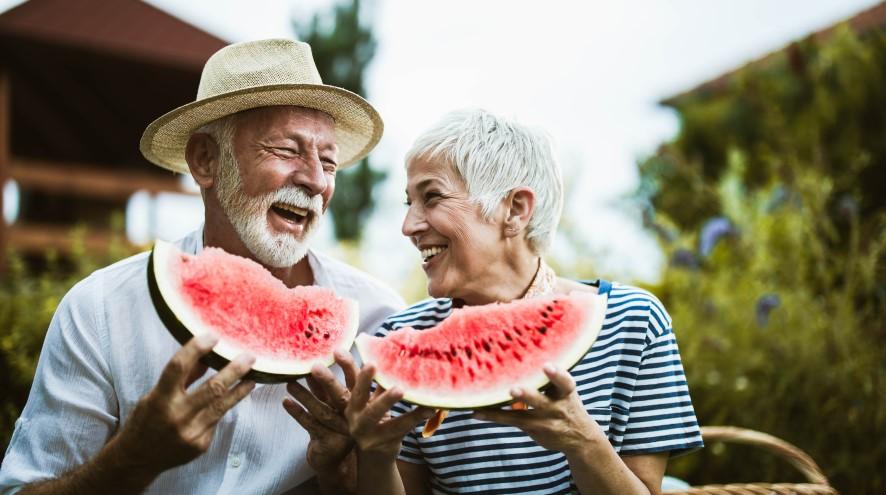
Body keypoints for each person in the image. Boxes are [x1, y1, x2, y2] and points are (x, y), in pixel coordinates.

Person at [0, 39, 404, 494]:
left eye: (328, 162)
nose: (315, 181)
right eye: (287, 150)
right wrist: (131, 460)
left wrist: (346, 477)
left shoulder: (377, 321)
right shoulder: (100, 311)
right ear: (205, 160)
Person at [341, 109, 704, 494]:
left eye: (432, 197)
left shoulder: (633, 322)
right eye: (408, 202)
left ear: (515, 209)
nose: (409, 226)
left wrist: (582, 441)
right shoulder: (402, 337)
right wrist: (375, 455)